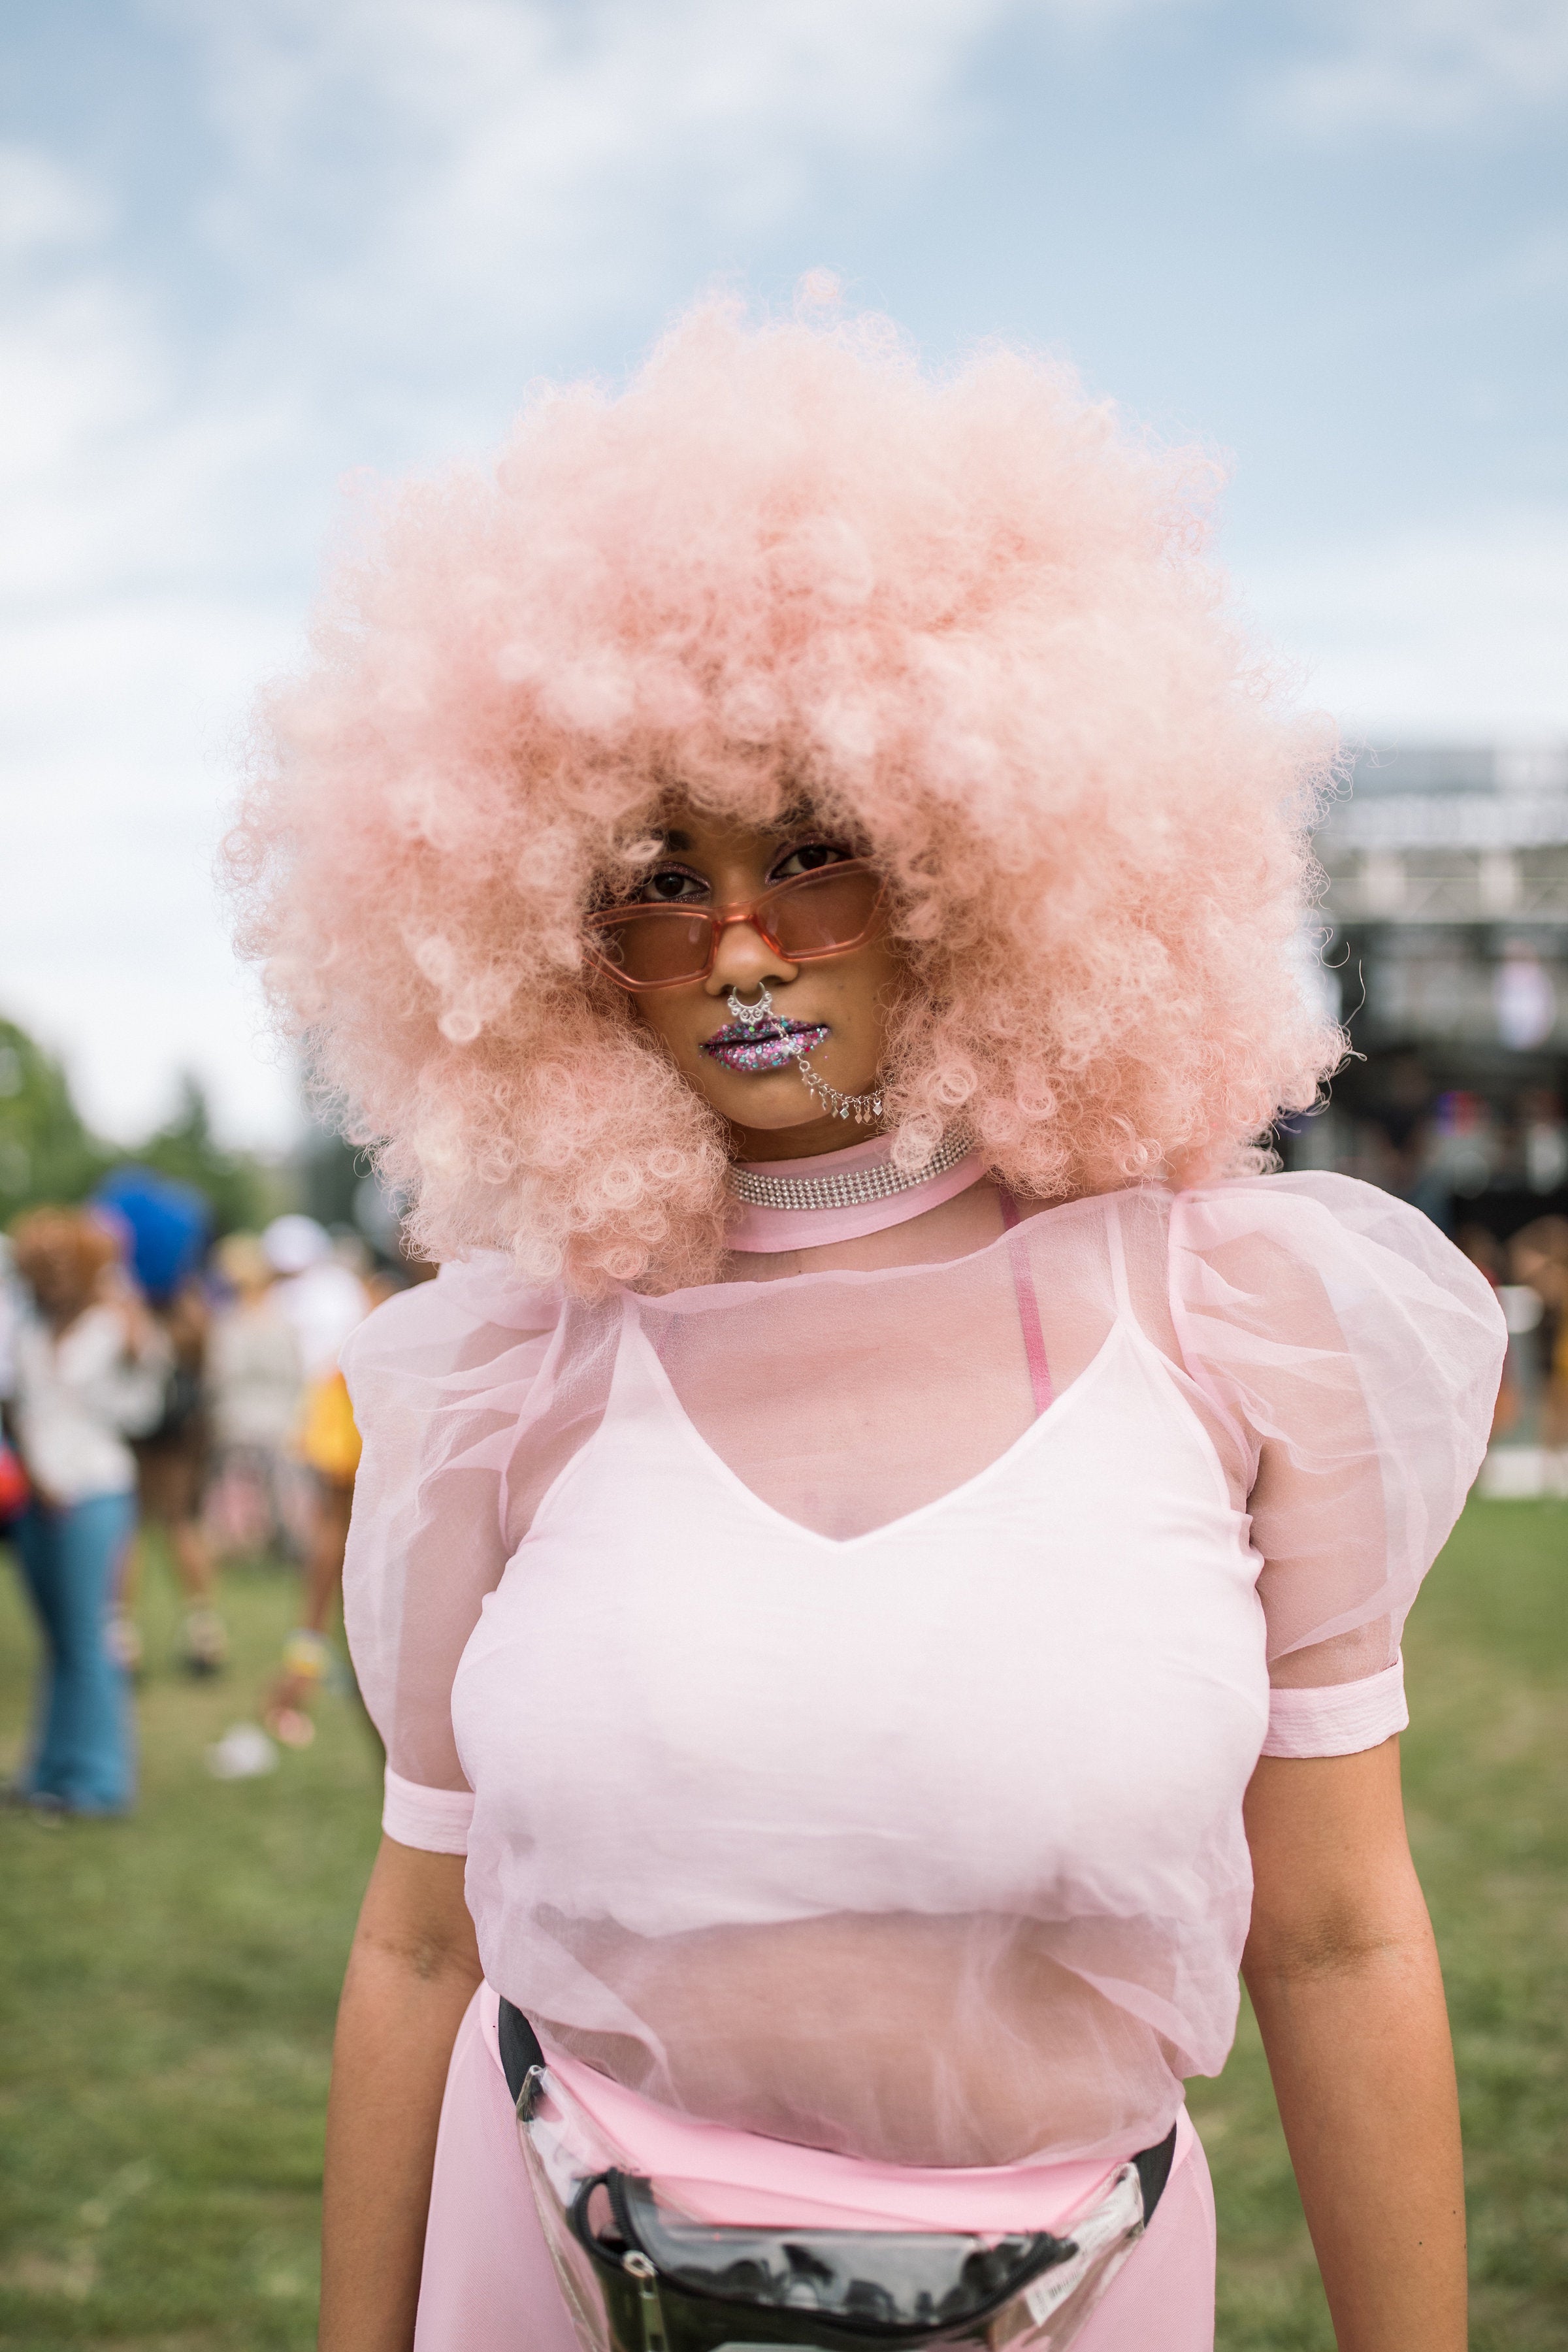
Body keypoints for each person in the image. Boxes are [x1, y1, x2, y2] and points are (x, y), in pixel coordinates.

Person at [229, 299, 1507, 2352]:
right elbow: (415, 1949)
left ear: (960, 868)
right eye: (659, 882)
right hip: (542, 2267)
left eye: (812, 859)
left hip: (1077, 2290)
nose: (740, 948)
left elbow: (1343, 1940)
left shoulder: (1227, 1321)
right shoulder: (507, 1370)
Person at [5, 1206, 170, 1814]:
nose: (51, 1276)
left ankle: (99, 1780)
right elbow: (20, 1411)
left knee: (85, 1635)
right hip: (35, 1495)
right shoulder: (26, 1328)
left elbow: (141, 1413)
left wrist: (139, 1351)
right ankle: (48, 1769)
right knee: (57, 1639)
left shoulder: (113, 1326)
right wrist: (36, 1475)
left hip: (94, 1491)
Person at [95, 1166, 227, 1674]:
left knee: (128, 1529)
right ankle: (204, 1631)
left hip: (140, 1432)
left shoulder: (125, 1305)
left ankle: (121, 1637)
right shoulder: (192, 1307)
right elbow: (205, 1363)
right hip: (182, 1433)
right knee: (181, 1525)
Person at [257, 1215, 370, 1740]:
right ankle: (316, 1656)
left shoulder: (293, 1299)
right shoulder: (342, 1287)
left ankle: (308, 1659)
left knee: (335, 1533)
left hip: (337, 1404)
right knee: (341, 1533)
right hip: (343, 1402)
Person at [204, 1230, 304, 1559]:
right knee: (281, 1486)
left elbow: (219, 1377)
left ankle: (242, 1542)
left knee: (239, 1482)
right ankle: (280, 1542)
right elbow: (295, 1377)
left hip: (240, 1420)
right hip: (279, 1420)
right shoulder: (283, 1325)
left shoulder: (229, 1326)